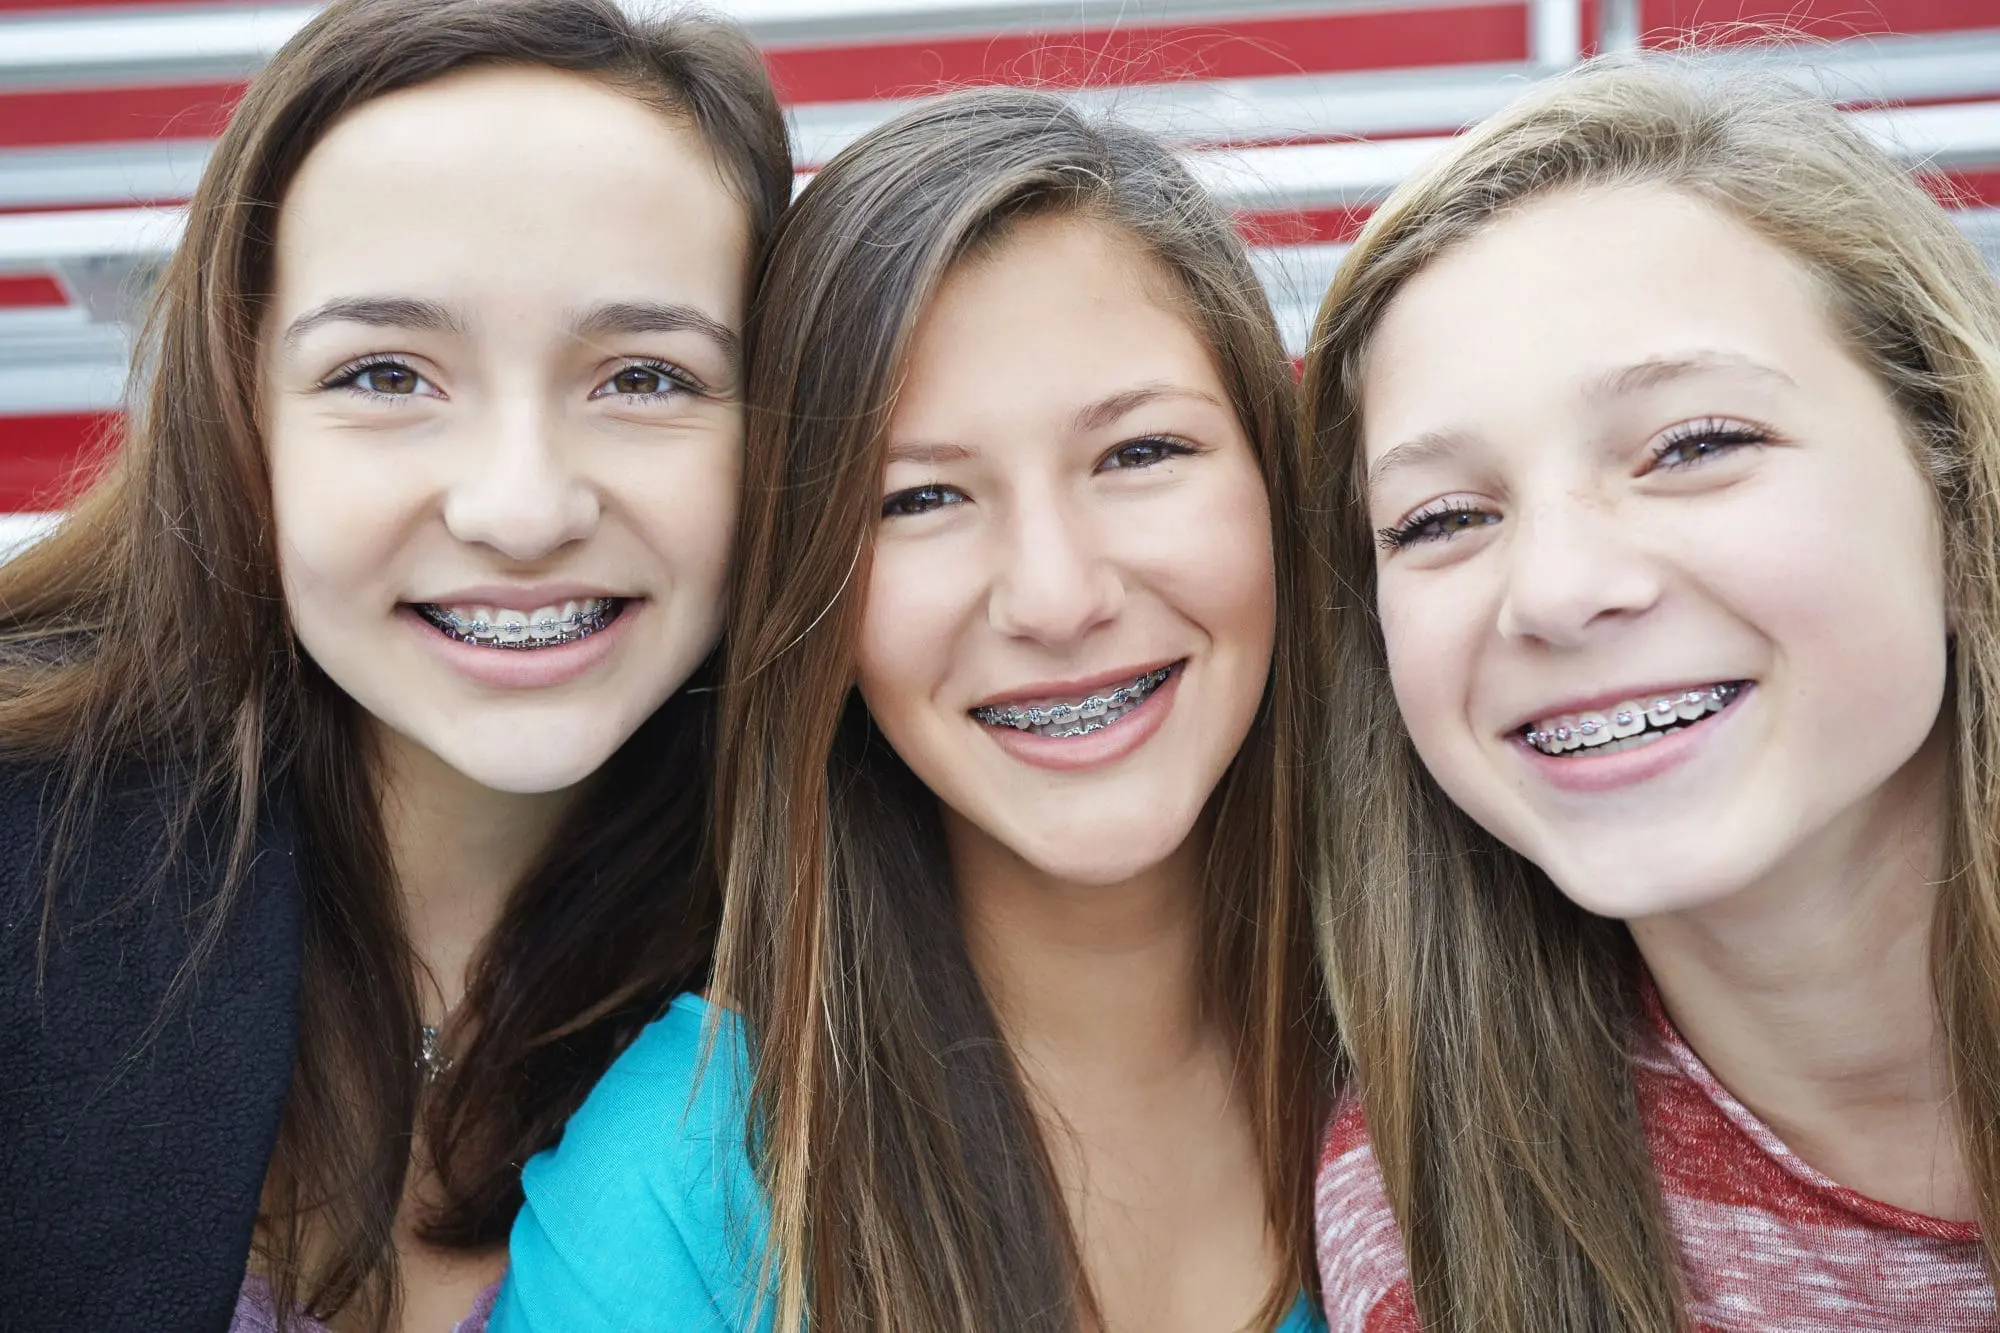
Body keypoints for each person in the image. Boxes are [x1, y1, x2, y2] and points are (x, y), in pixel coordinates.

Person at [491, 87, 1337, 1332]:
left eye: (1139, 454)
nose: (1055, 598)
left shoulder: (1499, 1044)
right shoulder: (683, 1191)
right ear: (813, 603)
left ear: (1277, 482)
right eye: (921, 499)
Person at [0, 1, 790, 1328]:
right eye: (386, 373)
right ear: (239, 417)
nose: (522, 508)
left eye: (645, 378)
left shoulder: (883, 922)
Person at [1304, 58, 1999, 1330]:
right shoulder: (1423, 1225)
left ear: (1956, 504)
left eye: (1693, 446)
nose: (1558, 591)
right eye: (1442, 517)